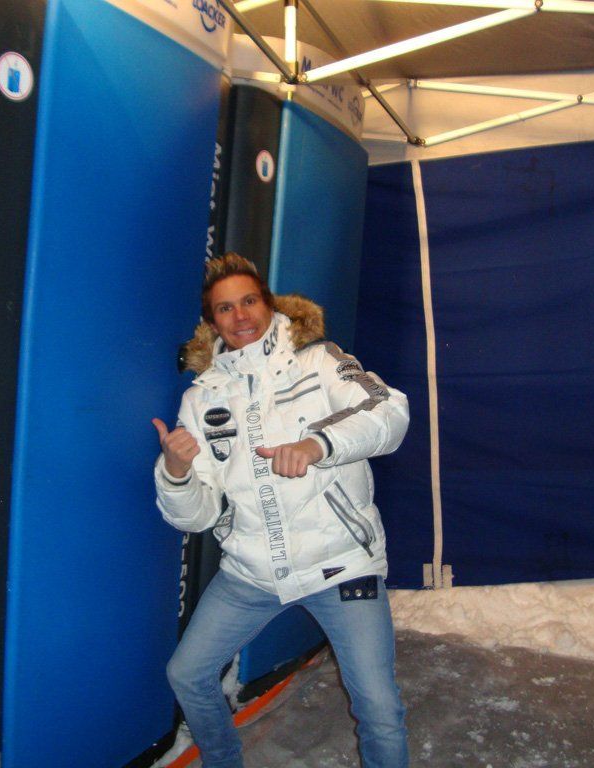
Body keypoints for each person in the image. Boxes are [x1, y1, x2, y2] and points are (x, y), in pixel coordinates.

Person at [152, 253, 410, 768]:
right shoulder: (201, 399)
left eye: (249, 301)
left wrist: (318, 445)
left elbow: (390, 411)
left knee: (379, 708)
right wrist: (176, 473)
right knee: (187, 673)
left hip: (341, 566)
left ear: (268, 304)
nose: (240, 316)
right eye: (225, 308)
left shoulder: (320, 360)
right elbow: (197, 517)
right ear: (212, 322)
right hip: (252, 573)